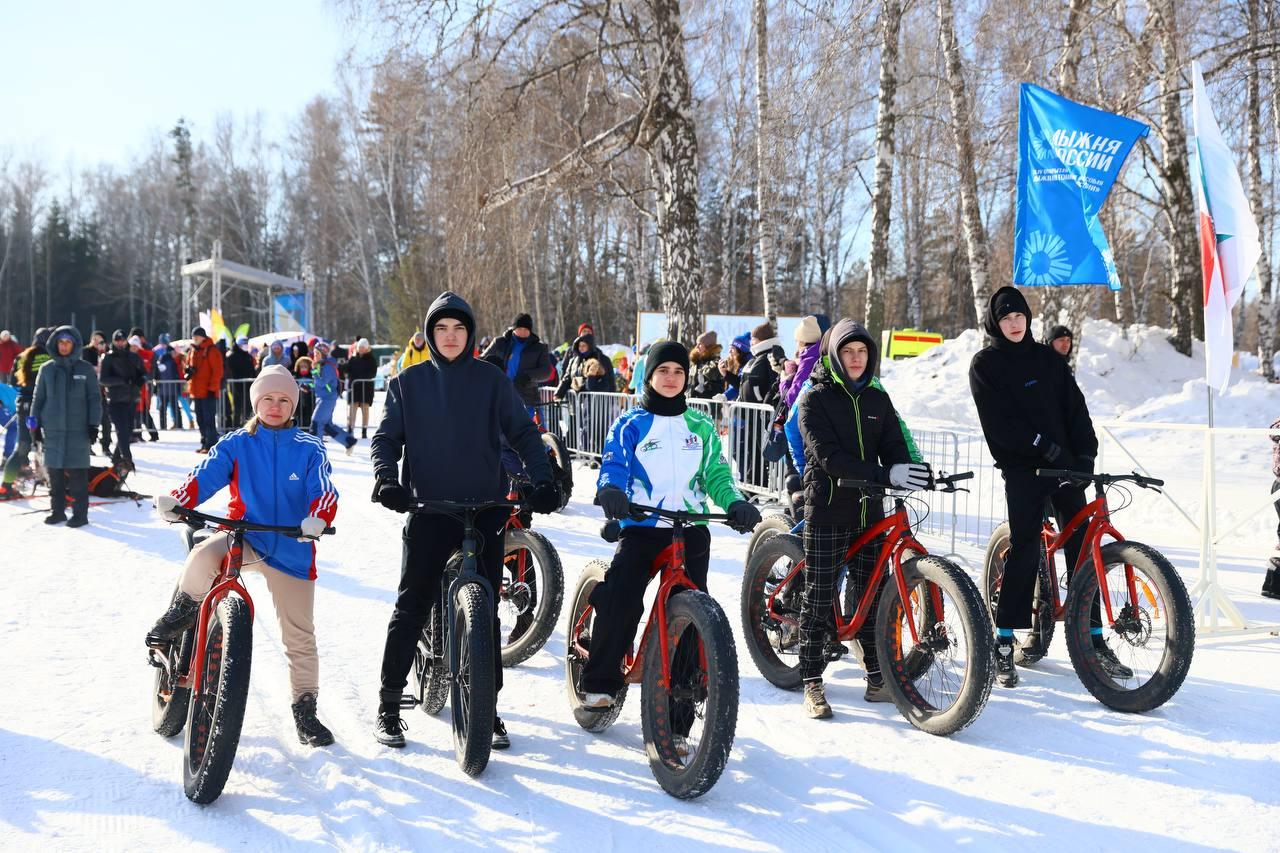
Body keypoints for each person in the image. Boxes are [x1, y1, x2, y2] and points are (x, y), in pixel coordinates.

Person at [370, 291, 561, 750]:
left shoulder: (491, 381)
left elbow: (523, 434)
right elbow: (386, 438)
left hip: (487, 508)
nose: (450, 337)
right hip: (430, 508)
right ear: (431, 334)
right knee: (412, 604)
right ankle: (389, 705)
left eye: (458, 329)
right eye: (441, 329)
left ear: (470, 334)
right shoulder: (407, 383)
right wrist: (386, 479)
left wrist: (545, 478)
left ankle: (485, 708)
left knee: (487, 610)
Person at [145, 365, 340, 747]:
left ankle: (305, 709)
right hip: (243, 536)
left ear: (293, 405)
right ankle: (181, 614)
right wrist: (179, 502)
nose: (275, 405)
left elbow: (325, 490)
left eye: (284, 399)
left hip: (291, 545)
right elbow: (205, 476)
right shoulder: (237, 443)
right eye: (268, 398)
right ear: (256, 401)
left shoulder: (309, 447)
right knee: (203, 554)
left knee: (299, 635)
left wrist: (318, 517)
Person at [580, 341, 761, 713]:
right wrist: (612, 490)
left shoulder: (700, 425)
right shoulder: (630, 423)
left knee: (696, 616)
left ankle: (680, 710)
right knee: (623, 597)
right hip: (643, 525)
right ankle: (600, 680)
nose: (671, 378)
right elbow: (614, 466)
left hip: (690, 527)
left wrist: (735, 503)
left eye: (678, 371)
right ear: (650, 374)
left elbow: (716, 475)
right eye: (663, 371)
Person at [969, 287, 1128, 688]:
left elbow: (1075, 408)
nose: (1015, 323)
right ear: (996, 323)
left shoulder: (1048, 360)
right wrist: (1042, 446)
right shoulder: (986, 364)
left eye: (1020, 316)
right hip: (1024, 470)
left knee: (1082, 552)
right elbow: (999, 425)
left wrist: (1085, 456)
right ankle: (1003, 642)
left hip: (1065, 468)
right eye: (1006, 318)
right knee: (1025, 548)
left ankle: (1093, 640)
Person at [796, 320, 928, 718]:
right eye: (848, 352)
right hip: (828, 509)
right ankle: (812, 681)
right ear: (835, 354)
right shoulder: (814, 398)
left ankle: (875, 677)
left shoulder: (876, 399)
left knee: (870, 595)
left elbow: (894, 444)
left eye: (863, 352)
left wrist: (916, 469)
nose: (856, 359)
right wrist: (885, 475)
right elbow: (829, 458)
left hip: (869, 510)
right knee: (819, 596)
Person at [30, 326, 101, 527]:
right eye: (60, 342)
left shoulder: (85, 369)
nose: (64, 346)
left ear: (74, 344)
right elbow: (38, 399)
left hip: (78, 431)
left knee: (78, 474)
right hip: (52, 431)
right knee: (55, 473)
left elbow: (94, 399)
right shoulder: (47, 369)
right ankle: (57, 511)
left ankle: (80, 514)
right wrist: (34, 426)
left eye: (67, 342)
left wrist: (93, 425)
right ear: (55, 344)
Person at [0, 328, 52, 500]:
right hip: (46, 406)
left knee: (23, 446)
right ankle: (56, 486)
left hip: (24, 406)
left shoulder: (22, 356)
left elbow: (13, 383)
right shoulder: (52, 358)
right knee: (51, 444)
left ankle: (6, 486)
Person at [481, 313, 554, 413]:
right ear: (514, 328)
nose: (523, 332)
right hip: (500, 395)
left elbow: (547, 371)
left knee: (533, 428)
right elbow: (481, 361)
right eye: (520, 328)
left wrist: (528, 376)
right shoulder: (499, 343)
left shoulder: (539, 348)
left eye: (526, 329)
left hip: (528, 398)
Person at [98, 330, 147, 470]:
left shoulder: (133, 357)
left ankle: (116, 457)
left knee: (128, 431)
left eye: (122, 340)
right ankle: (127, 459)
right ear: (113, 341)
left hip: (131, 399)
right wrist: (121, 381)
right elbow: (103, 380)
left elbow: (144, 374)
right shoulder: (108, 358)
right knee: (122, 431)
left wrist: (139, 381)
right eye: (117, 340)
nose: (120, 342)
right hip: (115, 400)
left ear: (126, 341)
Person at [308, 341, 358, 455]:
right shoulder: (322, 365)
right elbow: (321, 385)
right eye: (314, 353)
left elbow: (322, 382)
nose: (314, 356)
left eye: (317, 354)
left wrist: (314, 372)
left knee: (316, 422)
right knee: (326, 425)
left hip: (327, 399)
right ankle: (349, 441)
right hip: (323, 398)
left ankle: (313, 451)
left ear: (323, 354)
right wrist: (308, 386)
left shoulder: (327, 367)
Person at [185, 327, 225, 454]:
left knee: (209, 419)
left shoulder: (212, 350)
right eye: (193, 337)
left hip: (208, 391)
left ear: (203, 337)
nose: (195, 339)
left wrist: (212, 388)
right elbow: (188, 365)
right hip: (196, 391)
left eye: (197, 336)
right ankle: (204, 443)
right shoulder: (192, 350)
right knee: (200, 419)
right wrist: (187, 370)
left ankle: (210, 444)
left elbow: (217, 371)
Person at [553, 332, 614, 397]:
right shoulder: (574, 360)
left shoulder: (601, 359)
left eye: (584, 346)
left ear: (589, 346)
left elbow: (608, 382)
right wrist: (558, 393)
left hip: (597, 401)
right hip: (577, 401)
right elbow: (567, 378)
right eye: (579, 346)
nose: (581, 348)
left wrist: (581, 382)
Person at [740, 322, 786, 406]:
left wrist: (765, 403)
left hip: (762, 412)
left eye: (753, 339)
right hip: (751, 411)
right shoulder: (758, 357)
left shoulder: (771, 356)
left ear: (761, 339)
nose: (751, 342)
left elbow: (774, 383)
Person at [344, 338, 377, 439]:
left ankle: (364, 430)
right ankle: (350, 429)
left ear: (366, 348)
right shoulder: (353, 358)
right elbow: (347, 369)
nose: (361, 349)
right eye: (359, 347)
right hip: (354, 387)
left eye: (363, 347)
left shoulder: (371, 359)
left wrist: (360, 377)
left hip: (366, 388)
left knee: (365, 409)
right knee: (352, 409)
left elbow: (373, 373)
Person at [225, 335, 258, 428]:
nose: (245, 346)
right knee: (237, 409)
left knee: (248, 408)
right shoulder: (231, 356)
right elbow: (230, 371)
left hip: (248, 386)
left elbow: (252, 371)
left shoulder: (248, 356)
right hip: (236, 386)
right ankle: (235, 427)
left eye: (246, 344)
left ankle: (247, 427)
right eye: (243, 344)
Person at [153, 342, 183, 431]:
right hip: (172, 388)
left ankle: (163, 425)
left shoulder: (161, 360)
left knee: (163, 408)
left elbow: (157, 374)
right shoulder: (172, 362)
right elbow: (174, 374)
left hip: (163, 389)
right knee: (174, 407)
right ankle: (179, 424)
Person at [688, 331, 725, 399]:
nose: (697, 347)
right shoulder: (696, 362)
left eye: (700, 344)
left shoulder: (716, 362)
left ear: (708, 346)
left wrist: (704, 385)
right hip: (692, 403)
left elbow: (712, 375)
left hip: (708, 406)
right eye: (697, 344)